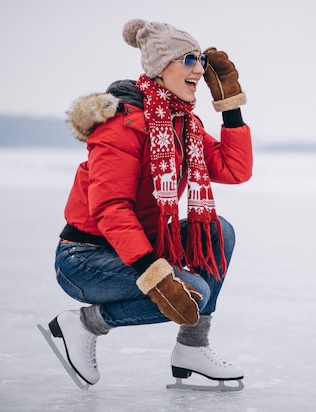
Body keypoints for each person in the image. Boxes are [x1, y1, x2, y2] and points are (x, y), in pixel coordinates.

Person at [40, 18, 252, 390]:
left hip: (139, 248)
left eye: (200, 59)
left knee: (221, 232)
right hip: (85, 258)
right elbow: (111, 209)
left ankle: (192, 348)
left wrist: (229, 106)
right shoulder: (119, 126)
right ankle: (84, 323)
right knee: (194, 292)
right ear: (159, 68)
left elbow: (235, 170)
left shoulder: (182, 124)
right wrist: (155, 274)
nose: (199, 69)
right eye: (188, 59)